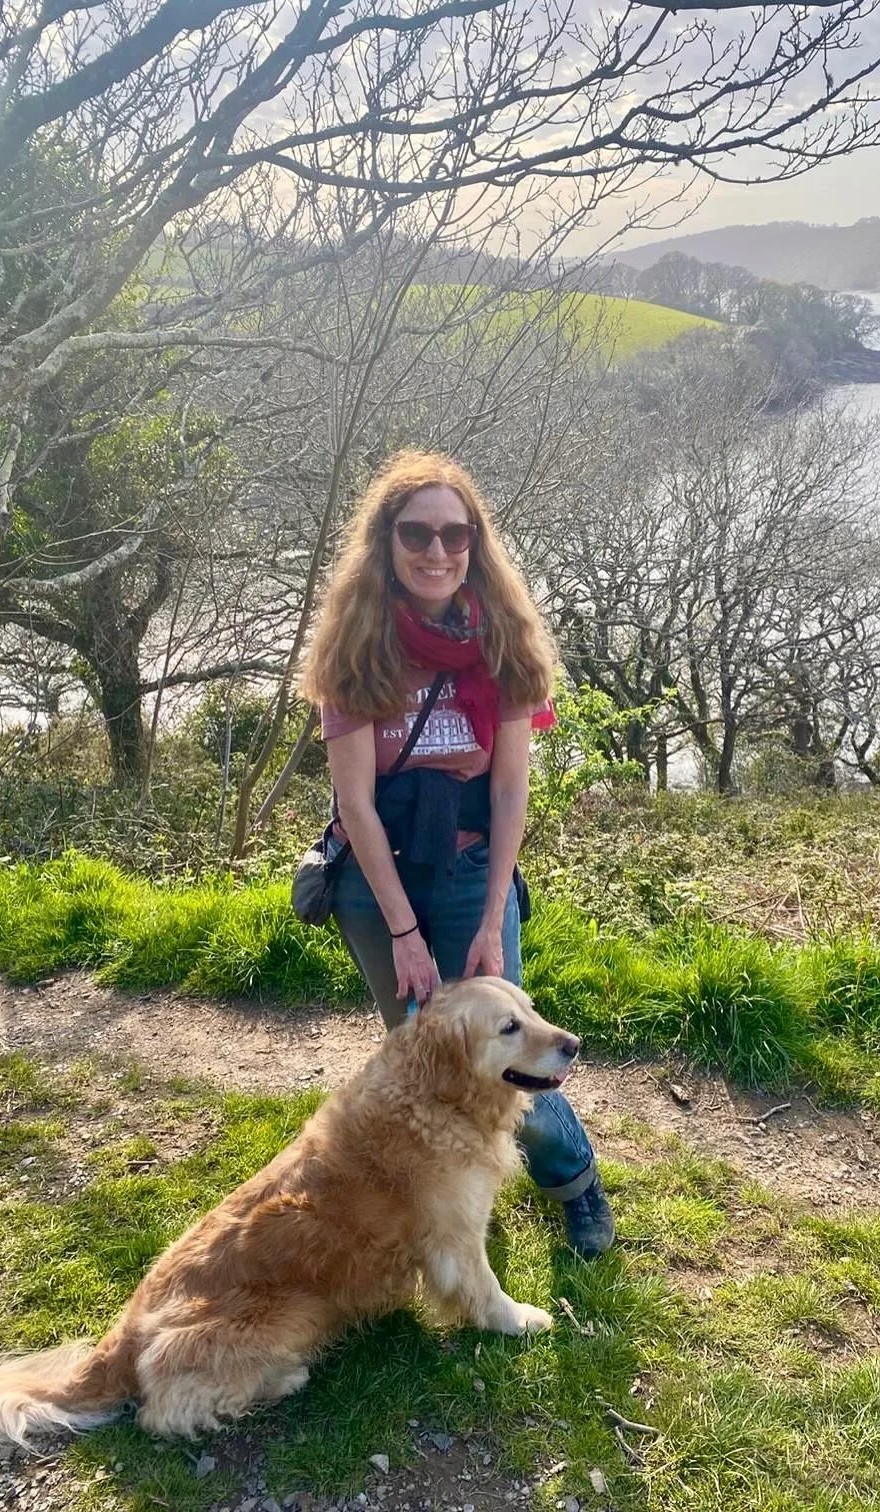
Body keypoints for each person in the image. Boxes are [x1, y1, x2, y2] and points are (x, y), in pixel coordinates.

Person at [300, 448, 615, 1257]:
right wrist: (404, 933)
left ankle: (573, 1182)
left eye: (455, 533)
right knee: (424, 1055)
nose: (436, 552)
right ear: (386, 541)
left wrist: (489, 915)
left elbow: (511, 793)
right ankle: (455, 1197)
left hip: (475, 867)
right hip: (379, 880)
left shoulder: (503, 642)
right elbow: (356, 806)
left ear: (474, 542)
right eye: (416, 533)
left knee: (516, 1050)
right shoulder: (354, 650)